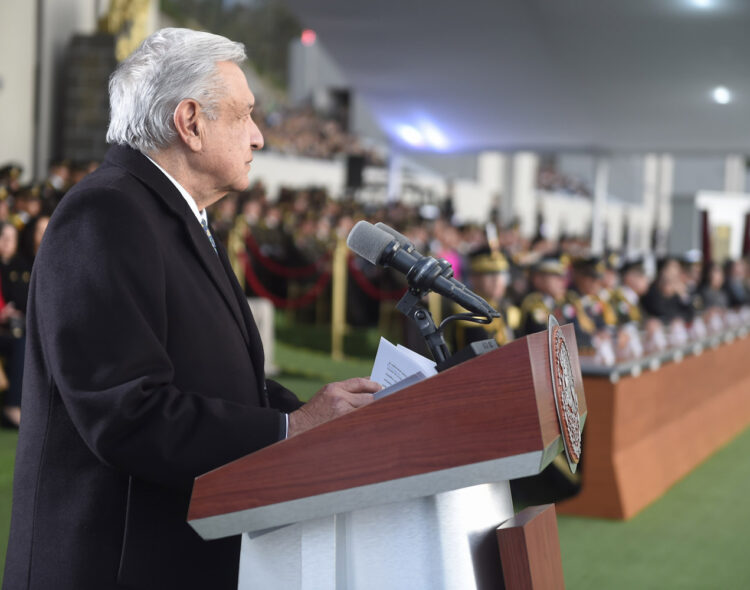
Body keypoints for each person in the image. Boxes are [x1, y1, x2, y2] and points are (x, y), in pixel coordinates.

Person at [3, 28, 379, 590]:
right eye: (245, 115)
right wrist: (288, 427)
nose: (257, 137)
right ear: (190, 122)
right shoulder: (107, 215)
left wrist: (315, 414)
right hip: (115, 564)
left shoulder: (168, 214)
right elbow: (125, 411)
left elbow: (210, 377)